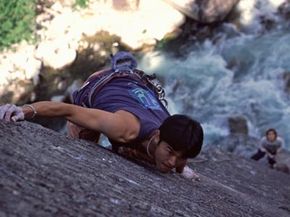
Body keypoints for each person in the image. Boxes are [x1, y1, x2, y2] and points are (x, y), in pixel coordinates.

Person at [0, 51, 203, 180]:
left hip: (136, 86)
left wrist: (181, 170)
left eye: (180, 158)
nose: (172, 162)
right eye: (169, 152)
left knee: (132, 150)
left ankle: (123, 65)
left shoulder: (175, 140)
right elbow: (68, 110)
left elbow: (180, 153)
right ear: (157, 136)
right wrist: (23, 110)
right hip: (101, 84)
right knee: (83, 143)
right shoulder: (125, 128)